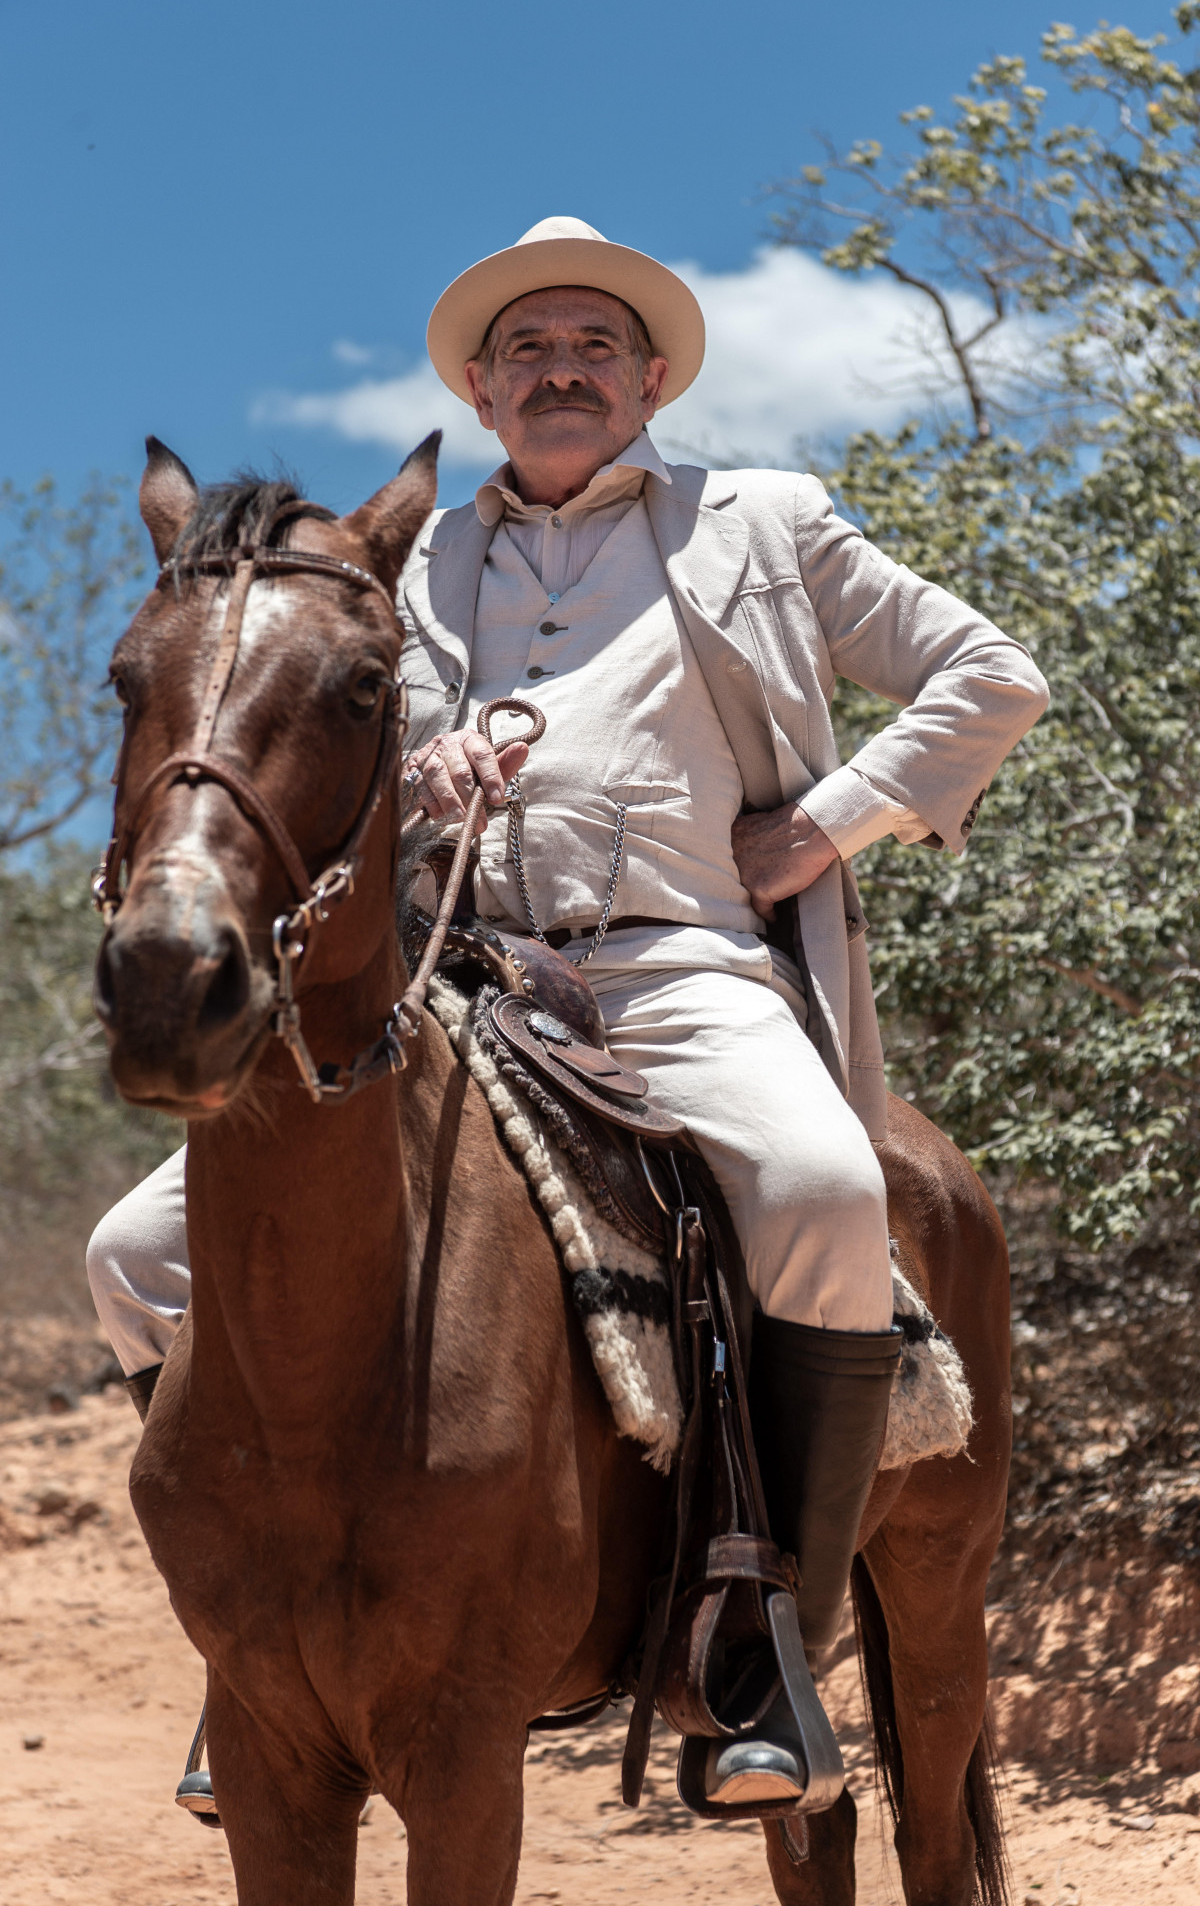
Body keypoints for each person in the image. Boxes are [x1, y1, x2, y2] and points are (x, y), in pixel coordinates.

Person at [87, 216, 1048, 1809]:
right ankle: (258, 1642)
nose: (562, 371)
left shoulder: (764, 522)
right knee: (134, 1256)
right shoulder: (414, 556)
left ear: (653, 376)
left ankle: (762, 1645)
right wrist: (427, 775)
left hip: (679, 961)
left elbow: (988, 671)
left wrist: (828, 823)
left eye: (595, 346)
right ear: (479, 390)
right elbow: (334, 760)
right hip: (465, 974)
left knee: (818, 1194)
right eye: (527, 350)